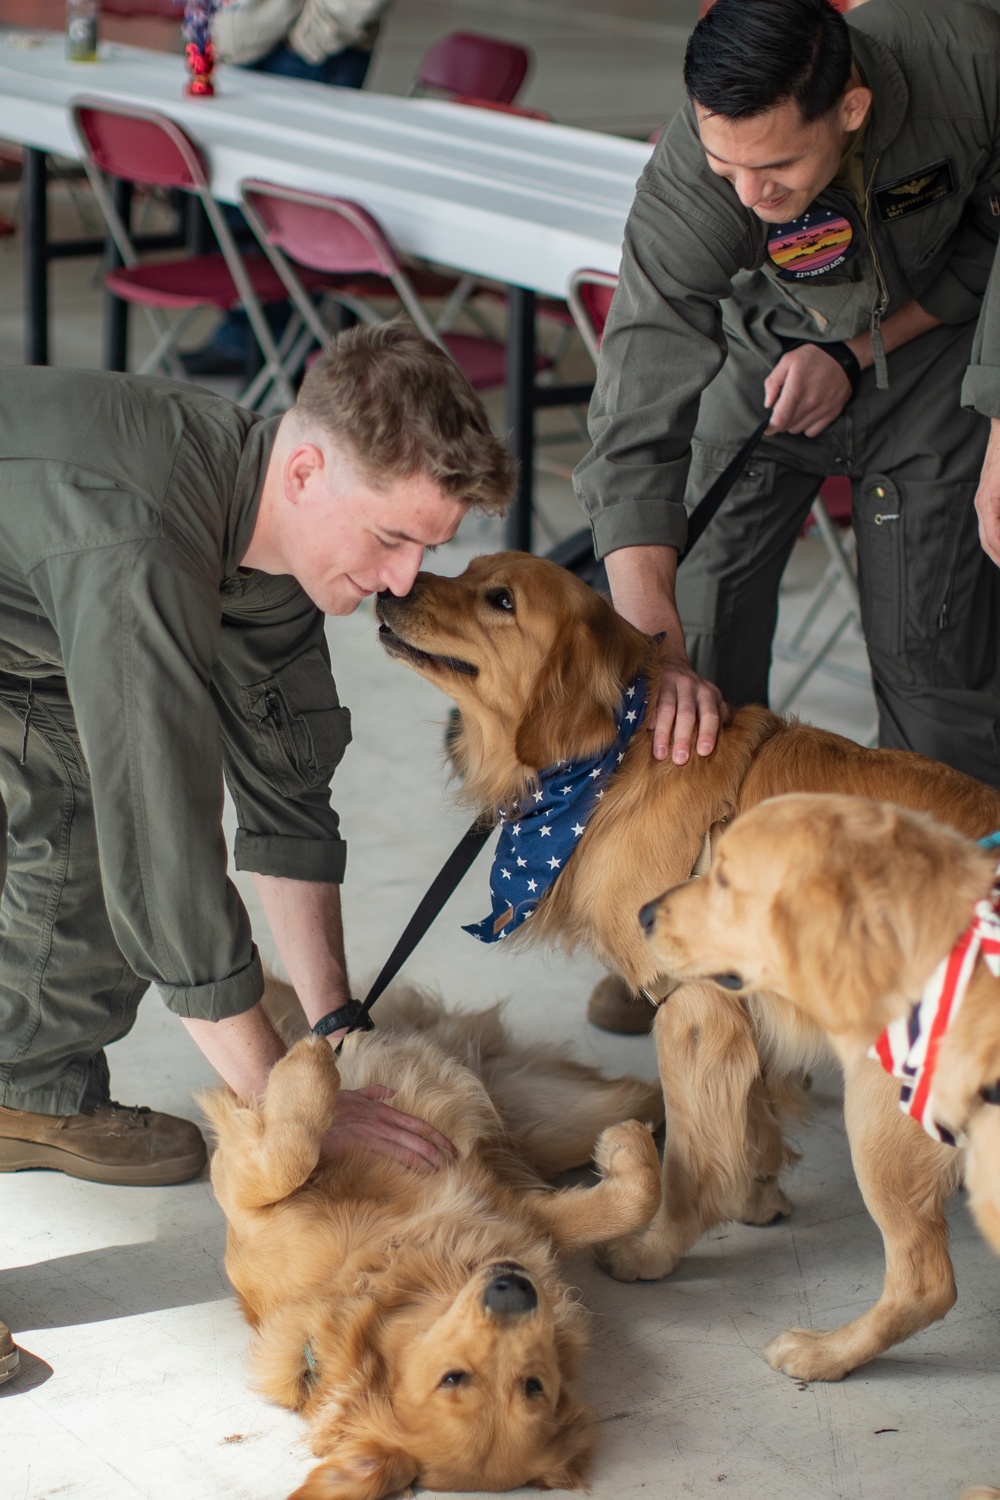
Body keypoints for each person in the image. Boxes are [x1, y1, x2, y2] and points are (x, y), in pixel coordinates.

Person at [0, 323, 514, 1193]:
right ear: (308, 472)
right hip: (68, 562)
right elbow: (164, 861)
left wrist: (337, 1031)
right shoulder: (146, 549)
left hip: (28, 602)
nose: (404, 582)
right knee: (137, 807)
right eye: (390, 538)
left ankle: (28, 1091)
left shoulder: (274, 536)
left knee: (82, 787)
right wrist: (293, 1107)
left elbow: (288, 791)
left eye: (428, 548)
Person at [573, 0, 1000, 1030]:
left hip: (933, 363)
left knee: (939, 678)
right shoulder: (703, 162)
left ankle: (947, 967)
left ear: (849, 107)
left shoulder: (966, 59)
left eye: (775, 173)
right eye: (728, 174)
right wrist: (651, 642)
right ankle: (690, 939)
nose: (749, 197)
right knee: (699, 662)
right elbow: (641, 377)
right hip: (760, 360)